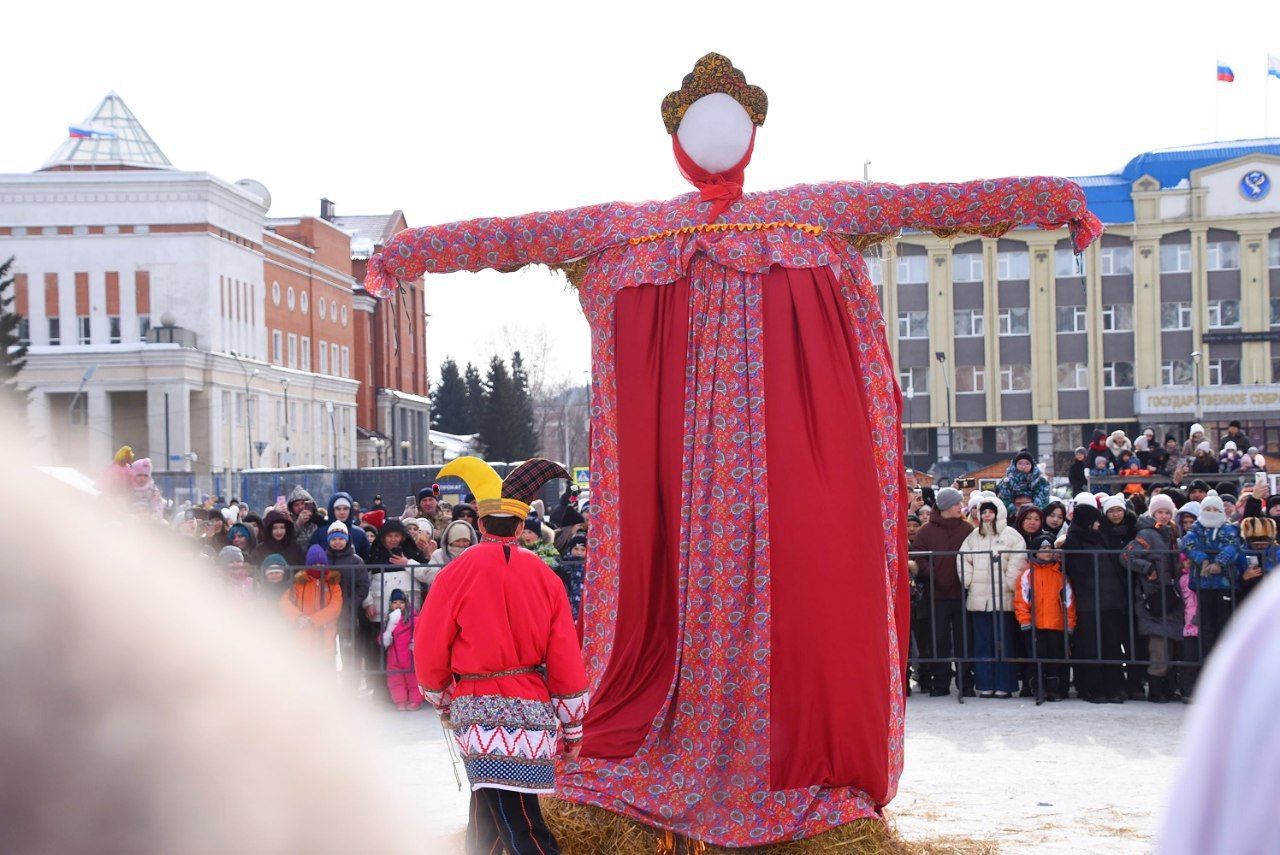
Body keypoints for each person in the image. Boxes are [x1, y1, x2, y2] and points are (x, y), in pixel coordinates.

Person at [415, 457, 587, 855]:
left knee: (515, 820)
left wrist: (441, 697)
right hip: (530, 706)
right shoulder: (546, 577)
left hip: (477, 707)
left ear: (480, 524)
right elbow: (563, 653)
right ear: (523, 526)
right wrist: (573, 724)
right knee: (493, 810)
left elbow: (430, 645)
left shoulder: (456, 573)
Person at [1121, 494, 1186, 703]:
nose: (1165, 516)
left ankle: (1168, 688)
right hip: (1153, 598)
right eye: (1160, 512)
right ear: (1153, 513)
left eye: (1168, 512)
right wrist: (1147, 568)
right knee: (1158, 648)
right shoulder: (1147, 534)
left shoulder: (1172, 535)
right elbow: (1126, 555)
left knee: (1172, 645)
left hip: (1172, 598)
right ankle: (1157, 690)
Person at [958, 498, 1026, 698]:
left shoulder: (1011, 535)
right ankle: (985, 683)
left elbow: (1018, 558)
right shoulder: (973, 536)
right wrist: (968, 581)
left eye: (991, 512)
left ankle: (1005, 684)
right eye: (984, 512)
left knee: (1004, 642)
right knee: (982, 642)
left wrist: (1009, 582)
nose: (987, 515)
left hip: (1003, 598)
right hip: (979, 599)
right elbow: (962, 558)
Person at [910, 486, 974, 697]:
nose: (960, 506)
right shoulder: (926, 531)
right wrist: (933, 574)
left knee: (964, 640)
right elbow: (918, 556)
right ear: (946, 505)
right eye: (957, 503)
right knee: (940, 640)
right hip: (936, 594)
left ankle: (966, 683)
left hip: (961, 593)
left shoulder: (966, 529)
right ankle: (941, 684)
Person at [1063, 500, 1127, 703]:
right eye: (1096, 521)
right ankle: (1092, 687)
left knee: (1111, 644)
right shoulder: (1073, 541)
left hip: (1109, 600)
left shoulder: (1100, 537)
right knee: (1090, 646)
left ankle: (1114, 686)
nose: (1099, 525)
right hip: (1088, 602)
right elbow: (1077, 571)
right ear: (1088, 522)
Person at [1181, 490, 1242, 667]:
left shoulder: (1229, 528)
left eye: (1216, 509)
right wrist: (1204, 560)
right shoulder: (1196, 529)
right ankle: (1208, 662)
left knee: (1224, 622)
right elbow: (1188, 544)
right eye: (1208, 509)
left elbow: (1232, 546)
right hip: (1203, 583)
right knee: (1206, 624)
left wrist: (1219, 562)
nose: (1212, 512)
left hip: (1225, 583)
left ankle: (1226, 662)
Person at [1013, 533, 1076, 701]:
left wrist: (1069, 624)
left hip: (1056, 624)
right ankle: (1037, 688)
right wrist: (1025, 621)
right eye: (1042, 549)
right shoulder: (1027, 574)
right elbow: (1021, 600)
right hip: (1036, 625)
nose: (1047, 552)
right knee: (1036, 658)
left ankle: (1056, 689)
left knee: (1056, 659)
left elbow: (1068, 601)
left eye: (1049, 548)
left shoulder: (1060, 573)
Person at [323, 521, 370, 687]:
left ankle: (351, 686)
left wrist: (351, 604)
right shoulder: (323, 559)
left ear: (347, 539)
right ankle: (328, 685)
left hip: (347, 612)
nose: (337, 542)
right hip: (326, 613)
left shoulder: (356, 561)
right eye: (333, 538)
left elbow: (363, 586)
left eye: (340, 538)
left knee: (349, 650)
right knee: (327, 649)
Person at [280, 545, 343, 659]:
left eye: (321, 564)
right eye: (314, 564)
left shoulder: (333, 584)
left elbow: (336, 606)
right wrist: (298, 617)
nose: (318, 567)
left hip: (326, 637)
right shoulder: (299, 583)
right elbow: (285, 602)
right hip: (303, 635)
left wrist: (313, 620)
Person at [380, 589, 423, 711]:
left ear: (406, 604)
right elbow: (383, 638)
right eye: (394, 602)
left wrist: (416, 642)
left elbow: (420, 632)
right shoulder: (389, 620)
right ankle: (400, 701)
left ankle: (415, 701)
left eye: (401, 602)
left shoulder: (414, 619)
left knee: (413, 680)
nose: (398, 605)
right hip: (394, 658)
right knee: (395, 681)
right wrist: (387, 632)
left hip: (410, 657)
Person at [310, 492, 370, 559]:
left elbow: (366, 561)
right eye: (338, 509)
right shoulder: (319, 533)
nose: (342, 512)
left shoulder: (360, 534)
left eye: (345, 509)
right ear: (332, 510)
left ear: (350, 510)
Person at [995, 451, 1051, 515]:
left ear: (1032, 465)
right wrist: (1013, 510)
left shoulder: (1039, 480)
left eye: (1027, 464)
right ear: (1015, 464)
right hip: (1013, 515)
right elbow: (1004, 499)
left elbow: (1043, 498)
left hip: (1034, 513)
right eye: (1020, 463)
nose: (1023, 466)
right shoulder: (1008, 481)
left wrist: (1035, 509)